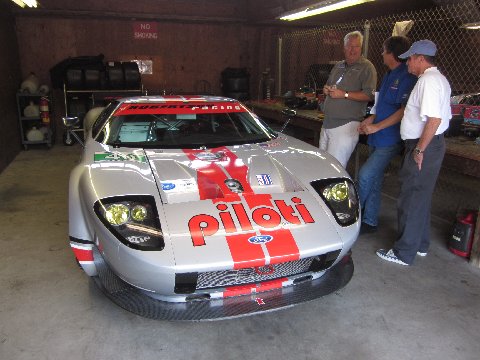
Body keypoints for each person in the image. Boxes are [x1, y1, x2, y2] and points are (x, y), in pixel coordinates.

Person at [376, 39, 452, 265]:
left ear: (420, 58)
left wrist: (419, 149)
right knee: (421, 197)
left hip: (423, 145)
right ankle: (420, 243)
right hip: (432, 144)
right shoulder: (438, 79)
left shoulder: (427, 81)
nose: (406, 62)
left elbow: (434, 119)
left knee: (410, 198)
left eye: (410, 58)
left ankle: (403, 252)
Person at [357, 36, 417, 234]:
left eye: (384, 50)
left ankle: (351, 216)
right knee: (374, 180)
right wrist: (370, 120)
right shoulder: (389, 74)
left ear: (392, 53)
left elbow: (403, 110)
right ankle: (370, 221)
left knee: (365, 176)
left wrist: (378, 126)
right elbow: (380, 103)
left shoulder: (407, 76)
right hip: (377, 135)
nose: (381, 54)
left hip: (389, 139)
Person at [320, 30, 377, 168]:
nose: (353, 50)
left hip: (346, 125)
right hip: (327, 122)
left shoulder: (367, 67)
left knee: (334, 168)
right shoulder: (338, 65)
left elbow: (368, 95)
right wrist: (326, 89)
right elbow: (328, 84)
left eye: (356, 46)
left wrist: (344, 94)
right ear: (344, 47)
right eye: (349, 46)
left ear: (361, 47)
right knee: (321, 166)